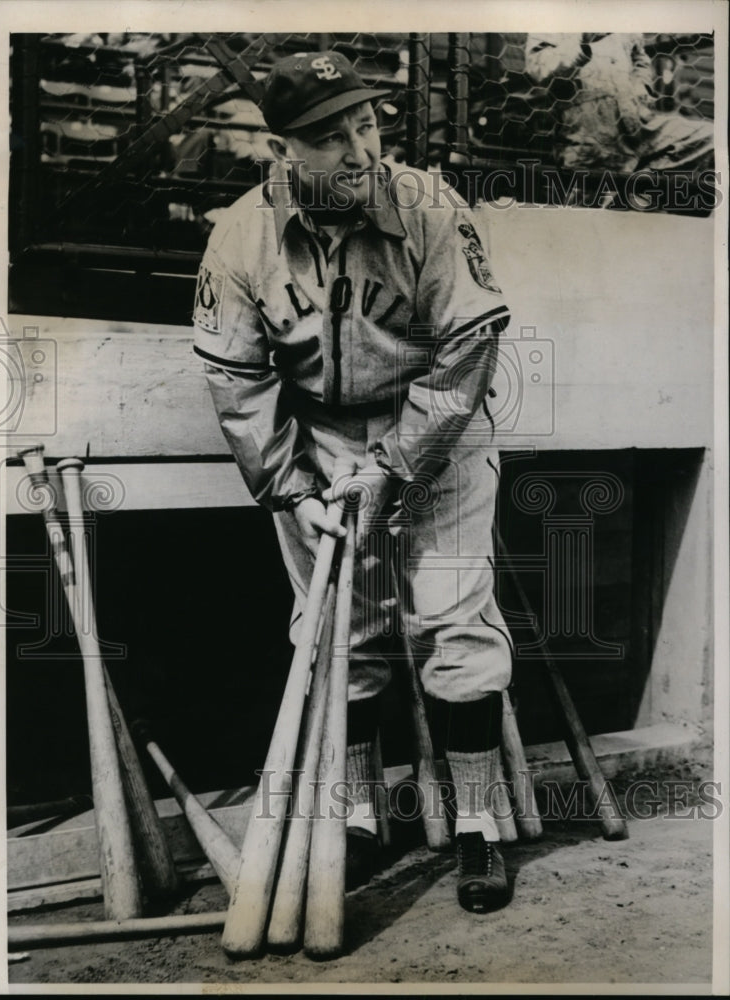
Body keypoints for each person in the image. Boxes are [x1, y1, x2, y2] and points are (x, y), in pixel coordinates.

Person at [193, 49, 513, 913]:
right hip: (322, 445)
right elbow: (235, 377)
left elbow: (467, 348)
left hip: (434, 435)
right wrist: (288, 486)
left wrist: (400, 465)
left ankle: (479, 825)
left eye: (367, 123)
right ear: (280, 148)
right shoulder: (240, 235)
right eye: (331, 137)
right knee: (344, 634)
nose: (361, 149)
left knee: (454, 623)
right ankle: (361, 817)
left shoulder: (427, 207)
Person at [524, 32, 713, 173]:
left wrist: (641, 87)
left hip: (639, 126)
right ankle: (631, 197)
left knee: (709, 138)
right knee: (596, 216)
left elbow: (639, 58)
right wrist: (583, 43)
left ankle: (639, 190)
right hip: (589, 135)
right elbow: (537, 68)